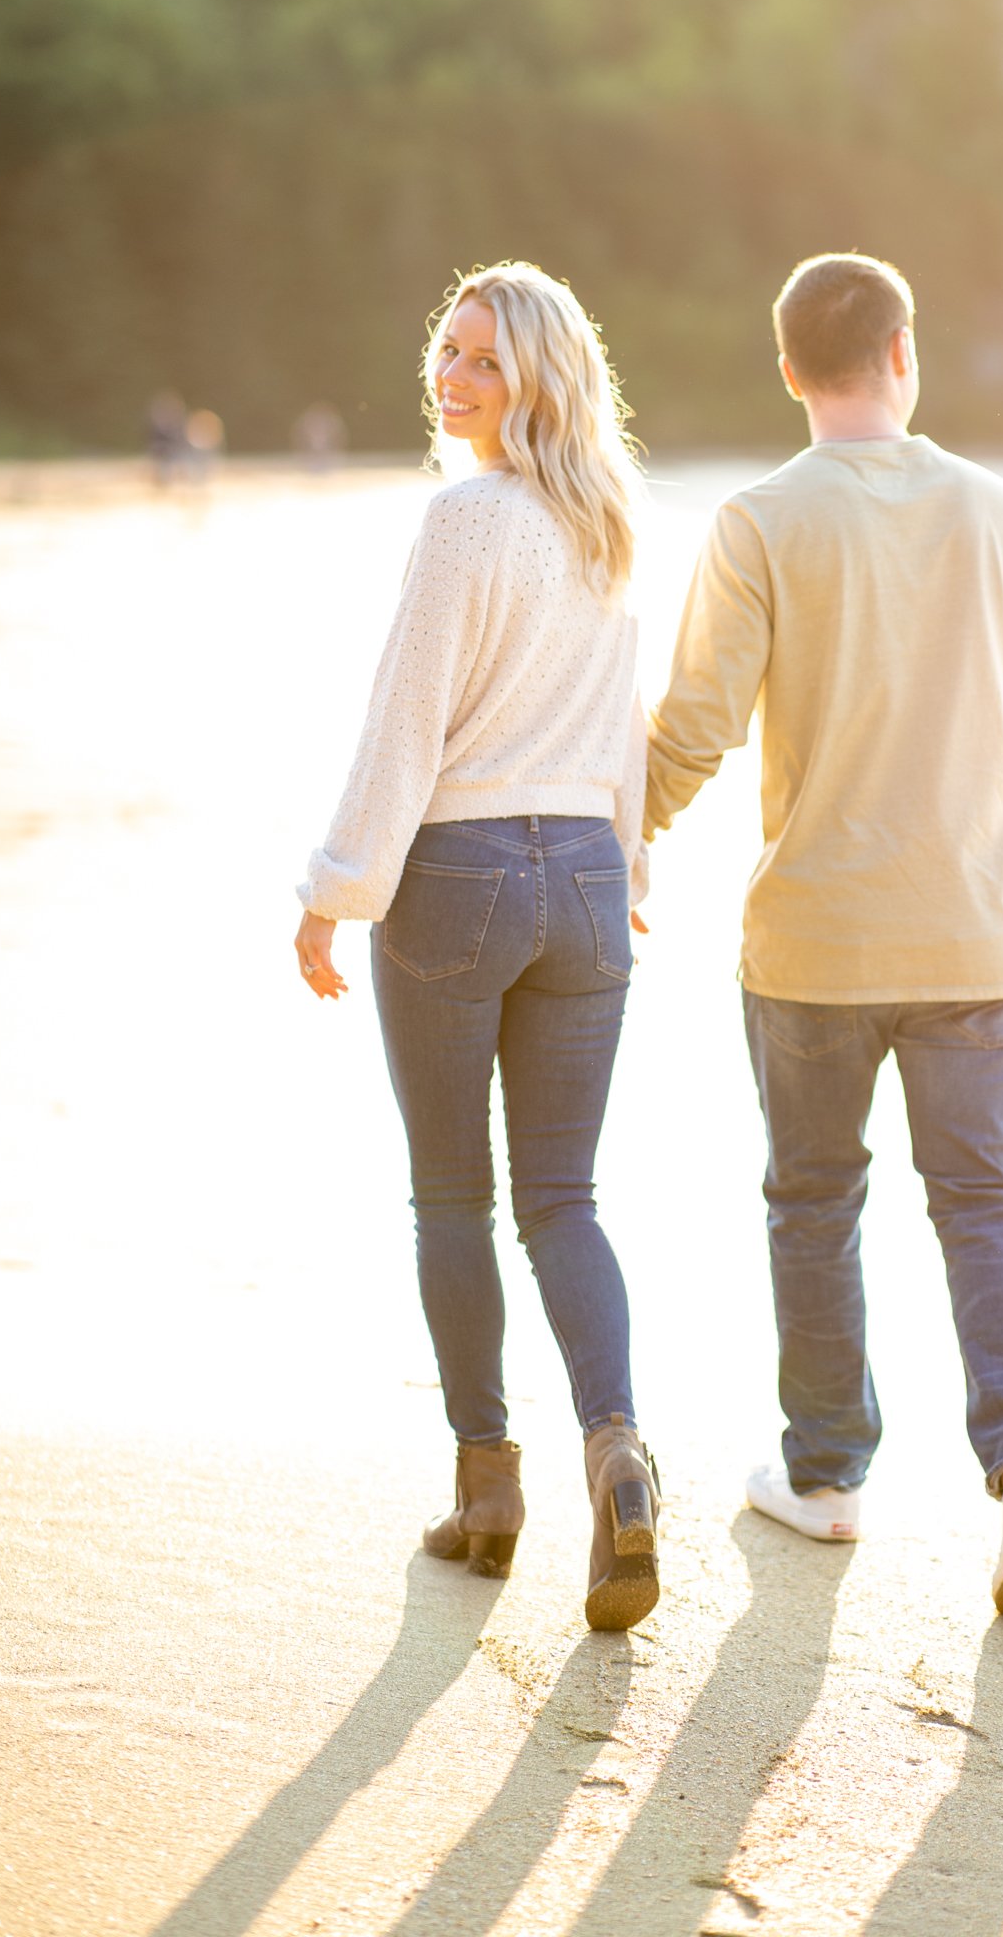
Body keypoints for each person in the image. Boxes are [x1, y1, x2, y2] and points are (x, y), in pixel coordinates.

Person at [644, 252, 1003, 1619]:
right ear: (905, 350)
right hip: (977, 939)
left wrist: (617, 835)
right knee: (987, 1205)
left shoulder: (761, 520)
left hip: (815, 946)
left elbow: (695, 728)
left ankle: (827, 1478)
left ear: (789, 372)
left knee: (815, 1203)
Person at [294, 262, 662, 1632]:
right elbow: (624, 721)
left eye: (485, 362)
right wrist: (627, 865)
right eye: (445, 350)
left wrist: (337, 887)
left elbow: (408, 718)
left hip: (457, 874)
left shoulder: (466, 521)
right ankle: (617, 1452)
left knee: (454, 1198)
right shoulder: (610, 524)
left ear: (542, 379)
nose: (451, 379)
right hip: (578, 876)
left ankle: (489, 1488)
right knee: (563, 1198)